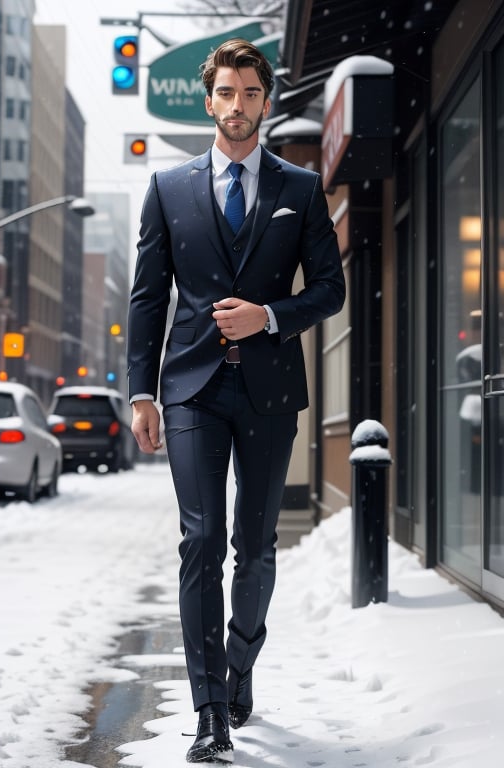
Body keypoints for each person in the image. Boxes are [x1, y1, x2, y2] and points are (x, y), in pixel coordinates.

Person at [127, 38, 345, 764]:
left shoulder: (300, 189)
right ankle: (210, 710)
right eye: (227, 92)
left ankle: (240, 662)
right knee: (200, 539)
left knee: (254, 548)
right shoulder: (168, 189)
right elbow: (148, 298)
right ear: (209, 98)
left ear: (266, 100)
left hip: (268, 389)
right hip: (189, 387)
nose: (239, 106)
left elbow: (330, 289)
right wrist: (139, 391)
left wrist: (271, 315)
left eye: (251, 93)